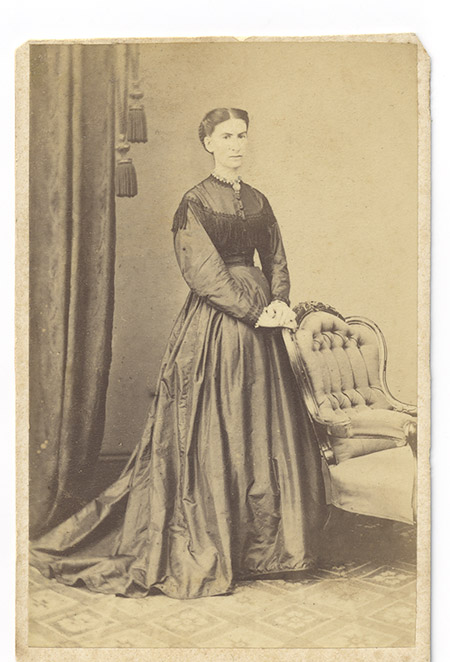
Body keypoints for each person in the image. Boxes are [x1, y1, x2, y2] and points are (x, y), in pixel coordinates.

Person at [31, 107, 325, 600]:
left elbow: (276, 256)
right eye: (226, 137)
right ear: (208, 142)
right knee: (219, 424)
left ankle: (265, 548)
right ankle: (217, 539)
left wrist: (278, 302)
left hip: (264, 326)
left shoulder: (259, 199)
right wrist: (253, 313)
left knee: (262, 425)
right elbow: (203, 271)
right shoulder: (195, 201)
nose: (236, 144)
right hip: (220, 323)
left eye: (242, 136)